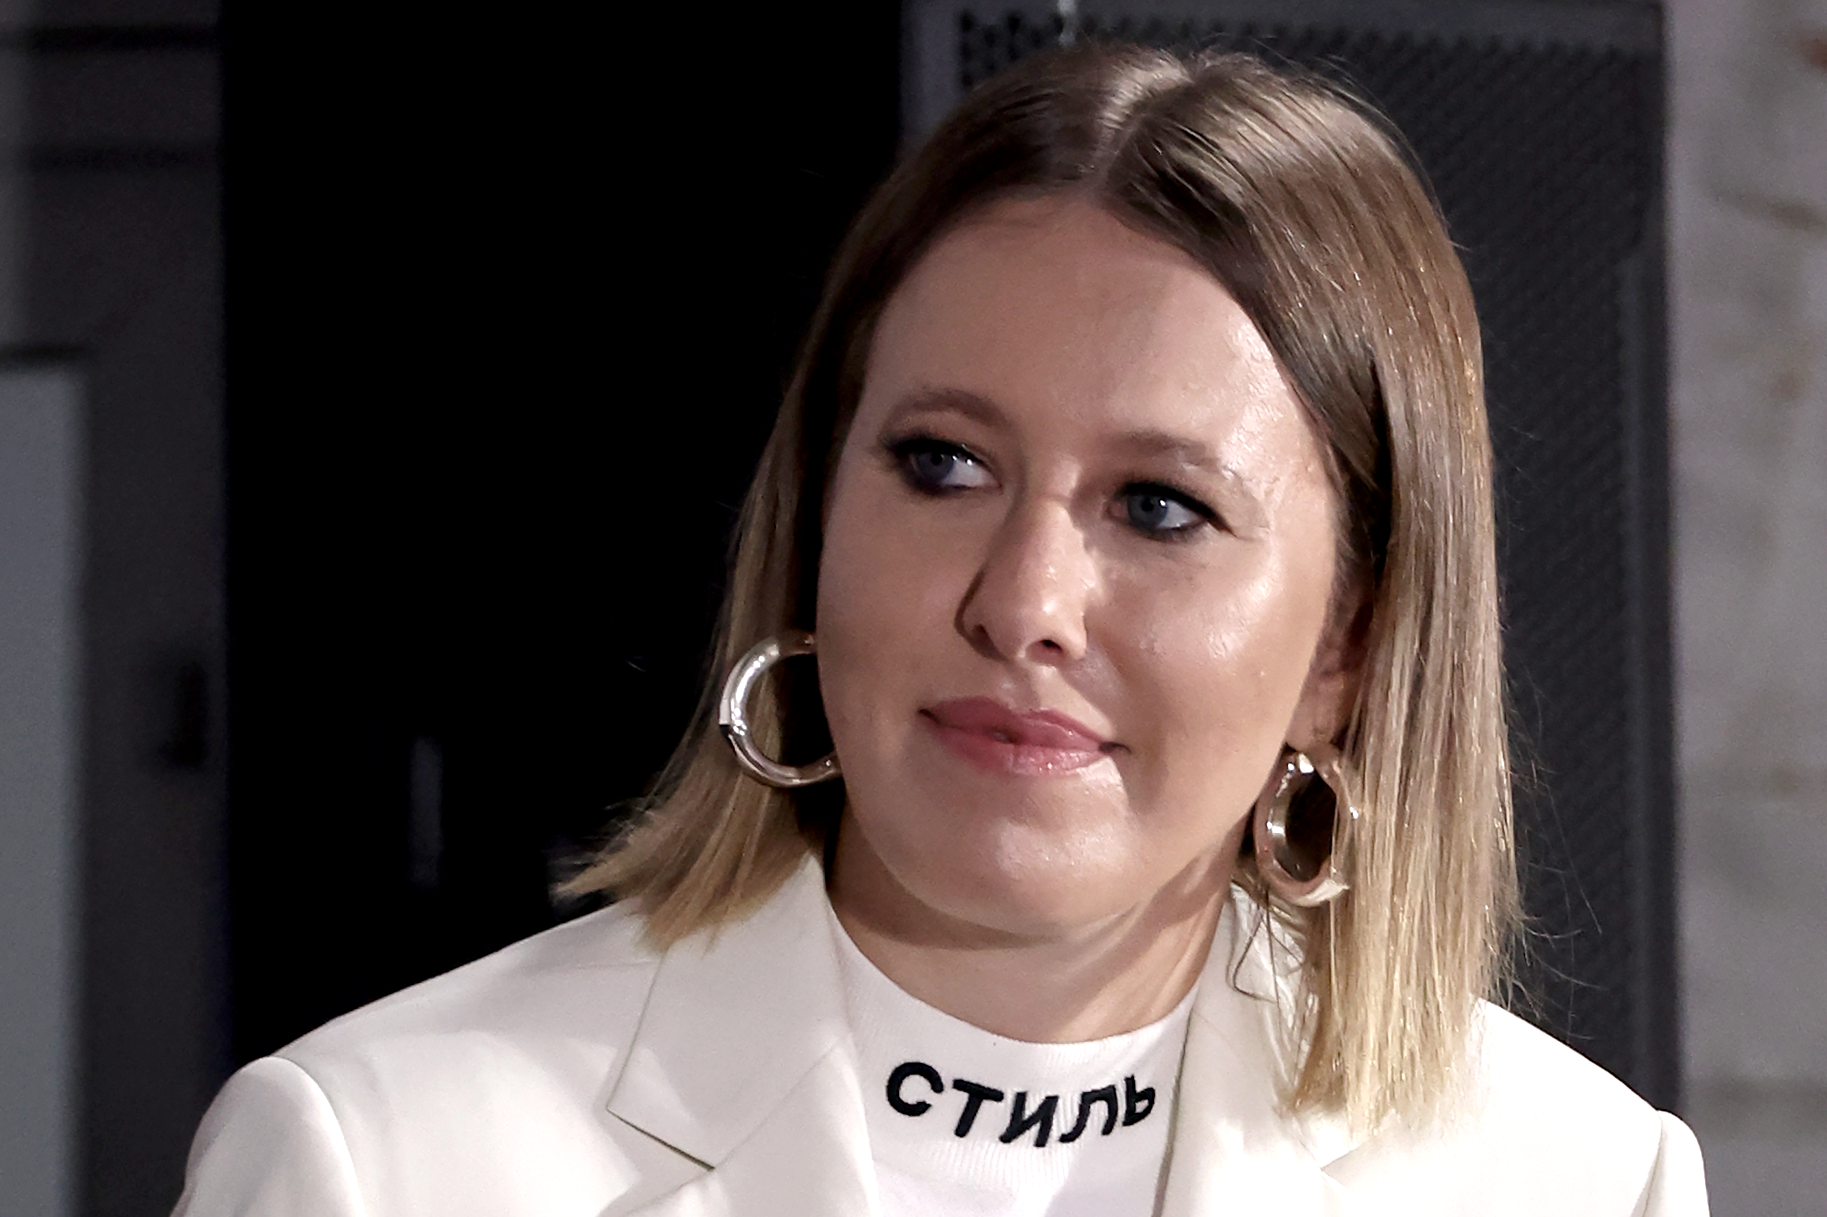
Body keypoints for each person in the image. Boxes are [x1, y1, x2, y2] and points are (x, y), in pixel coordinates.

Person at [174, 45, 1709, 1216]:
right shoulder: (379, 1157)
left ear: (1345, 647)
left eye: (1159, 506)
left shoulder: (1579, 1181)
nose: (1022, 604)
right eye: (943, 466)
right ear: (815, 523)